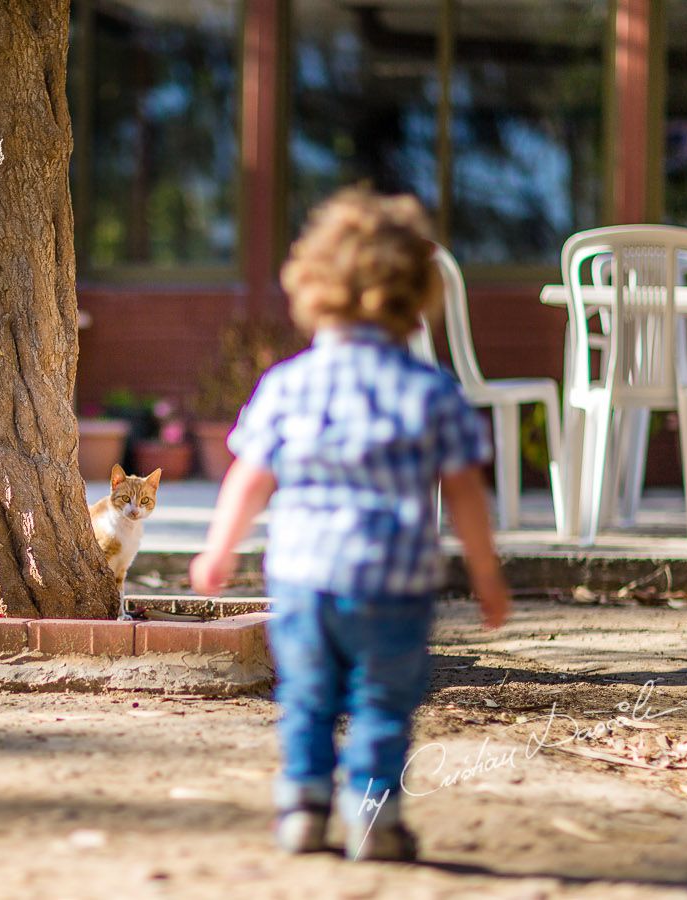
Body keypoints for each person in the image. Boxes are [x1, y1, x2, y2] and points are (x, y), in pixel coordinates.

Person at [189, 186, 510, 862]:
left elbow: (250, 475)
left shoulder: (287, 383)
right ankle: (375, 820)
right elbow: (464, 492)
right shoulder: (432, 390)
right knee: (381, 704)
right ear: (417, 293)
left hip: (304, 581)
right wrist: (486, 575)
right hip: (394, 585)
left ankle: (303, 809)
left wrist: (218, 551)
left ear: (311, 285)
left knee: (305, 696)